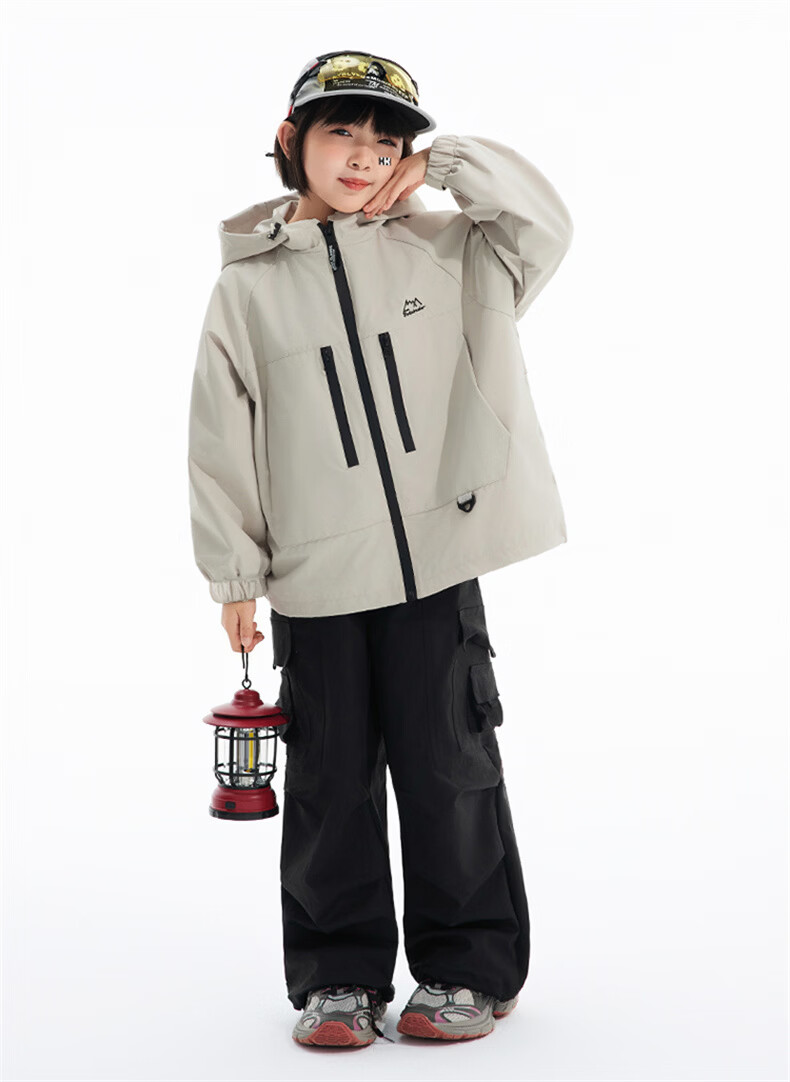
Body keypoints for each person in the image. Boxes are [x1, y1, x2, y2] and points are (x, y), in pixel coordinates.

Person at [187, 50, 573, 1048]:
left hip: (435, 567)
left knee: (451, 767)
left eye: (386, 140)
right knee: (327, 783)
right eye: (341, 133)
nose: (364, 156)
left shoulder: (446, 250)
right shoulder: (246, 289)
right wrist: (233, 573)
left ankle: (468, 967)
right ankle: (338, 978)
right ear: (291, 142)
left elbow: (545, 228)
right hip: (314, 580)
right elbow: (221, 435)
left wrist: (450, 164)